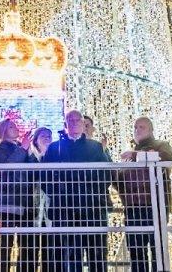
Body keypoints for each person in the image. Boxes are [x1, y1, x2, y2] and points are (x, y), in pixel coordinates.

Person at [41, 110, 112, 272]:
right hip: (65, 209)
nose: (74, 123)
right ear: (65, 124)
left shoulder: (96, 147)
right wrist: (60, 194)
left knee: (97, 254)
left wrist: (91, 191)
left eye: (77, 120)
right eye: (70, 120)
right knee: (72, 256)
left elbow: (106, 176)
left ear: (83, 124)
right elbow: (45, 178)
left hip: (93, 209)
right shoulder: (54, 148)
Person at [117, 117, 172, 272]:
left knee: (158, 253)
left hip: (155, 207)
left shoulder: (161, 146)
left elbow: (166, 158)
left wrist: (136, 155)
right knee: (136, 253)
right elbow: (119, 182)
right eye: (135, 127)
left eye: (141, 127)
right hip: (133, 210)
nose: (137, 130)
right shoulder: (128, 157)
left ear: (151, 130)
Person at [0, 119, 37, 272]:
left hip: (26, 202)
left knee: (26, 243)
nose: (16, 128)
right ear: (4, 130)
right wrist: (23, 148)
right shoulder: (0, 147)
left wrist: (29, 150)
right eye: (11, 126)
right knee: (6, 242)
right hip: (8, 202)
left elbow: (34, 171)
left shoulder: (22, 147)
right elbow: (7, 167)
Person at [28, 126, 56, 272]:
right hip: (31, 205)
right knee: (30, 247)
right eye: (43, 136)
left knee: (49, 246)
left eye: (49, 136)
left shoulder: (56, 156)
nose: (47, 138)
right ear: (36, 140)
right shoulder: (30, 156)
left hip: (49, 205)